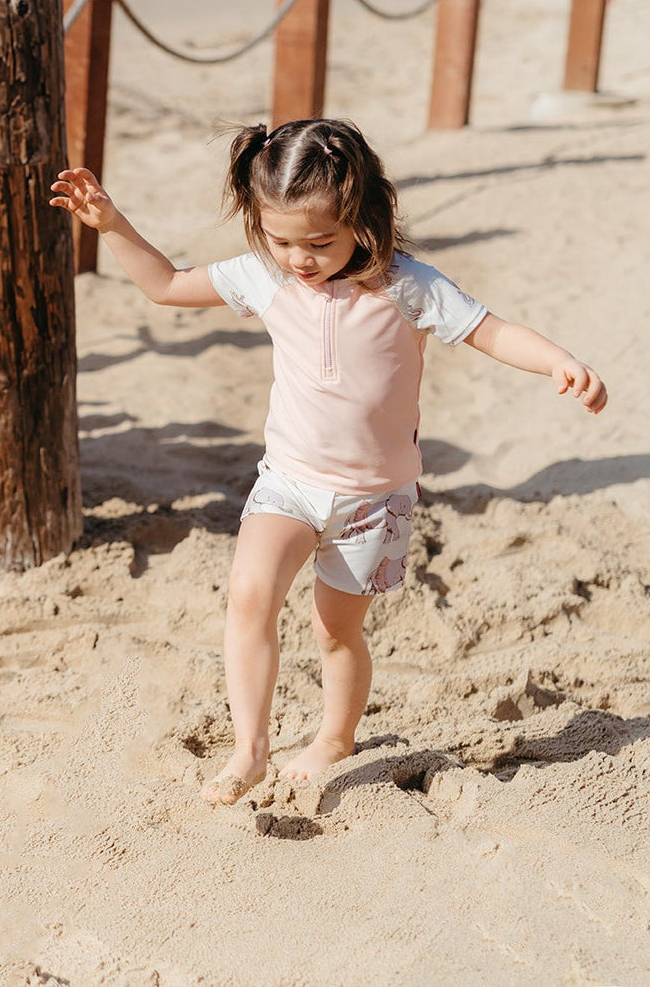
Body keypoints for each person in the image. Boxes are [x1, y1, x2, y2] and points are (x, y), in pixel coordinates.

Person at [49, 118, 608, 807]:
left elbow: (489, 331)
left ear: (362, 217)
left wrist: (558, 361)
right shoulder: (262, 278)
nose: (299, 258)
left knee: (335, 630)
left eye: (318, 241)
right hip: (287, 483)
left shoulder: (407, 286)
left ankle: (335, 737)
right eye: (280, 240)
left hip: (374, 499)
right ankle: (248, 751)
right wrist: (111, 223)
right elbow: (165, 285)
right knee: (248, 595)